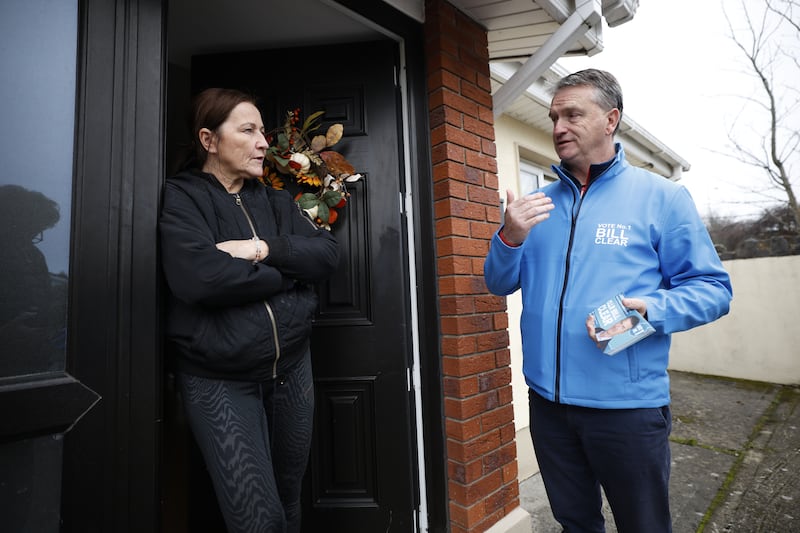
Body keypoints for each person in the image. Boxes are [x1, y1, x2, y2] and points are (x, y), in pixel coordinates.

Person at [484, 69, 733, 532]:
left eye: (573, 114)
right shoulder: (536, 205)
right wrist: (509, 235)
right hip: (549, 405)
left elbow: (714, 290)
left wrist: (653, 309)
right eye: (555, 116)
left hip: (627, 411)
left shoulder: (662, 198)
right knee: (575, 523)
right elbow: (498, 284)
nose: (559, 126)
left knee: (643, 525)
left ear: (610, 119)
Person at [159, 88, 340, 533]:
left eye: (263, 131)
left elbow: (329, 256)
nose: (263, 142)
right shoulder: (181, 197)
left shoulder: (276, 201)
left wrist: (260, 249)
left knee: (289, 497)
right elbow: (200, 279)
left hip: (291, 369)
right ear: (209, 140)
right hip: (220, 380)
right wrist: (285, 274)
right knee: (257, 520)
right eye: (249, 130)